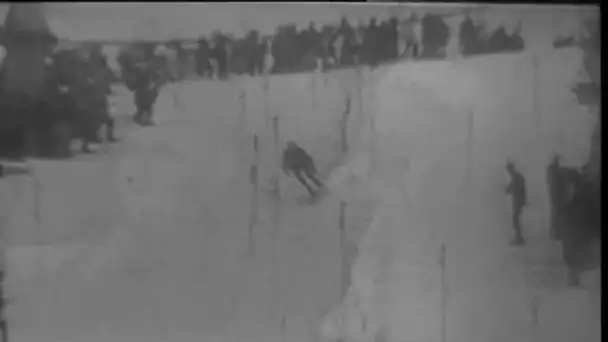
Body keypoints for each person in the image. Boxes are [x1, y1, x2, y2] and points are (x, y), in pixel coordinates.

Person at [504, 161, 527, 246]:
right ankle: (518, 237)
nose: (508, 172)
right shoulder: (517, 177)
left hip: (517, 202)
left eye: (509, 170)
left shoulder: (516, 177)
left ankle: (518, 238)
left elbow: (511, 187)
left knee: (515, 220)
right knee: (516, 220)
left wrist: (507, 190)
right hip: (517, 202)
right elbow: (511, 187)